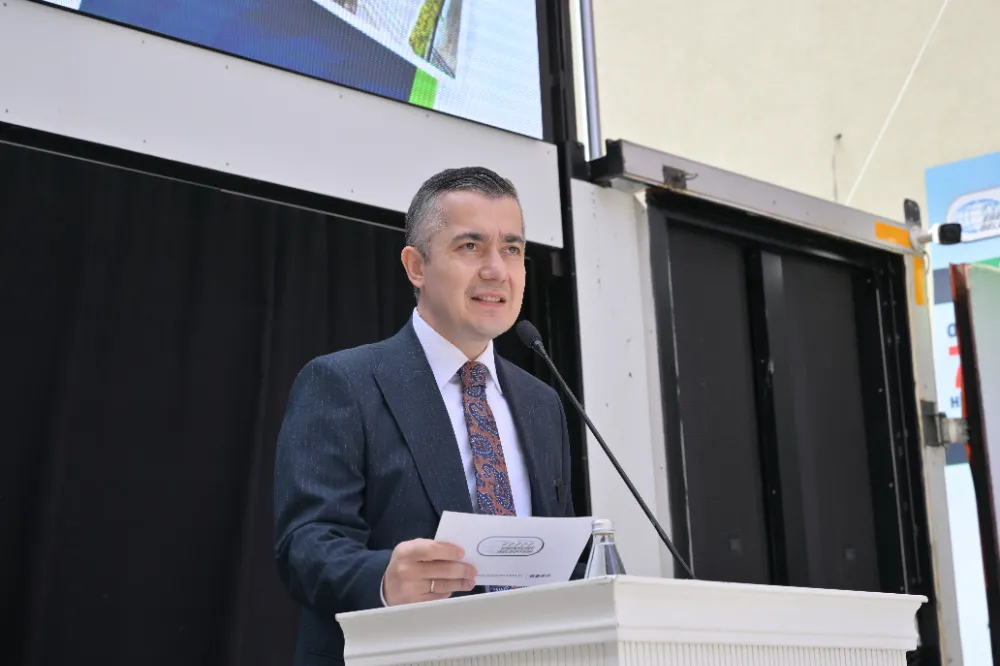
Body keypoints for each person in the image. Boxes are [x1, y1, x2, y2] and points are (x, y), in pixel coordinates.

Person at [273, 166, 578, 665]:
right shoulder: (343, 383)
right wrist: (383, 578)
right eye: (470, 246)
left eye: (512, 249)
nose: (496, 270)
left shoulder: (542, 402)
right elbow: (305, 545)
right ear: (416, 266)